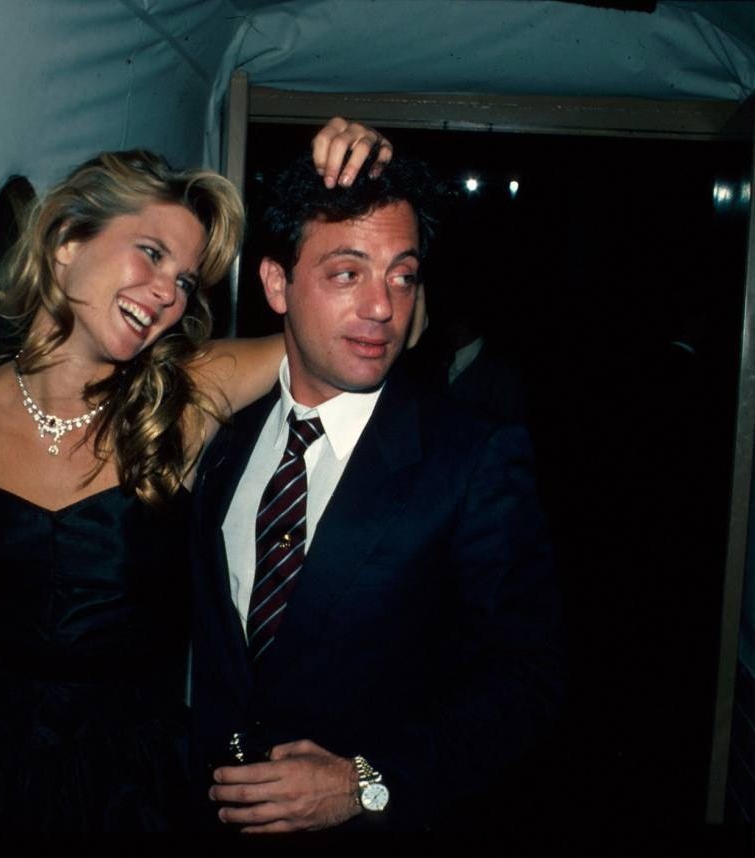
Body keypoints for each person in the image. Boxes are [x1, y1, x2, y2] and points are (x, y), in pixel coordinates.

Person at [0, 120, 400, 831]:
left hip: (126, 773)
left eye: (184, 280)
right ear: (68, 241)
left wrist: (367, 188)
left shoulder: (187, 396)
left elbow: (371, 336)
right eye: (151, 253)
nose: (167, 293)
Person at [189, 150, 563, 832]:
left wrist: (365, 781)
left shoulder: (470, 457)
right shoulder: (220, 436)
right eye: (347, 273)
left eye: (402, 276)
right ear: (277, 283)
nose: (383, 306)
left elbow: (527, 680)